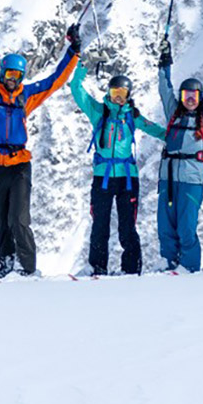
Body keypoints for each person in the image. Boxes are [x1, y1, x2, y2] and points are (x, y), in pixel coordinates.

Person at [0, 5, 80, 278]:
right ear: (2, 74)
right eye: (10, 76)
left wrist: (73, 51)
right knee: (0, 222)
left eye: (18, 77)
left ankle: (27, 269)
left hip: (19, 165)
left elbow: (54, 81)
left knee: (18, 219)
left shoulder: (25, 97)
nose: (13, 81)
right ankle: (6, 264)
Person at [69, 66, 166, 275]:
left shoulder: (133, 116)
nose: (118, 99)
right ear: (108, 93)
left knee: (127, 226)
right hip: (102, 176)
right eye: (115, 94)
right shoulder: (98, 112)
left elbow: (154, 129)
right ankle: (97, 267)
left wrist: (175, 138)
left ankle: (131, 269)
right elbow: (76, 90)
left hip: (128, 178)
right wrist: (83, 68)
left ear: (129, 95)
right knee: (99, 225)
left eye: (122, 94)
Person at [156, 38, 203, 272]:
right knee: (165, 226)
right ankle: (169, 264)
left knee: (186, 227)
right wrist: (164, 62)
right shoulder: (173, 113)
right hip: (168, 177)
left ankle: (189, 268)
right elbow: (163, 87)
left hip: (191, 179)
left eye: (194, 96)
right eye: (186, 95)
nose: (190, 100)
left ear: (200, 99)